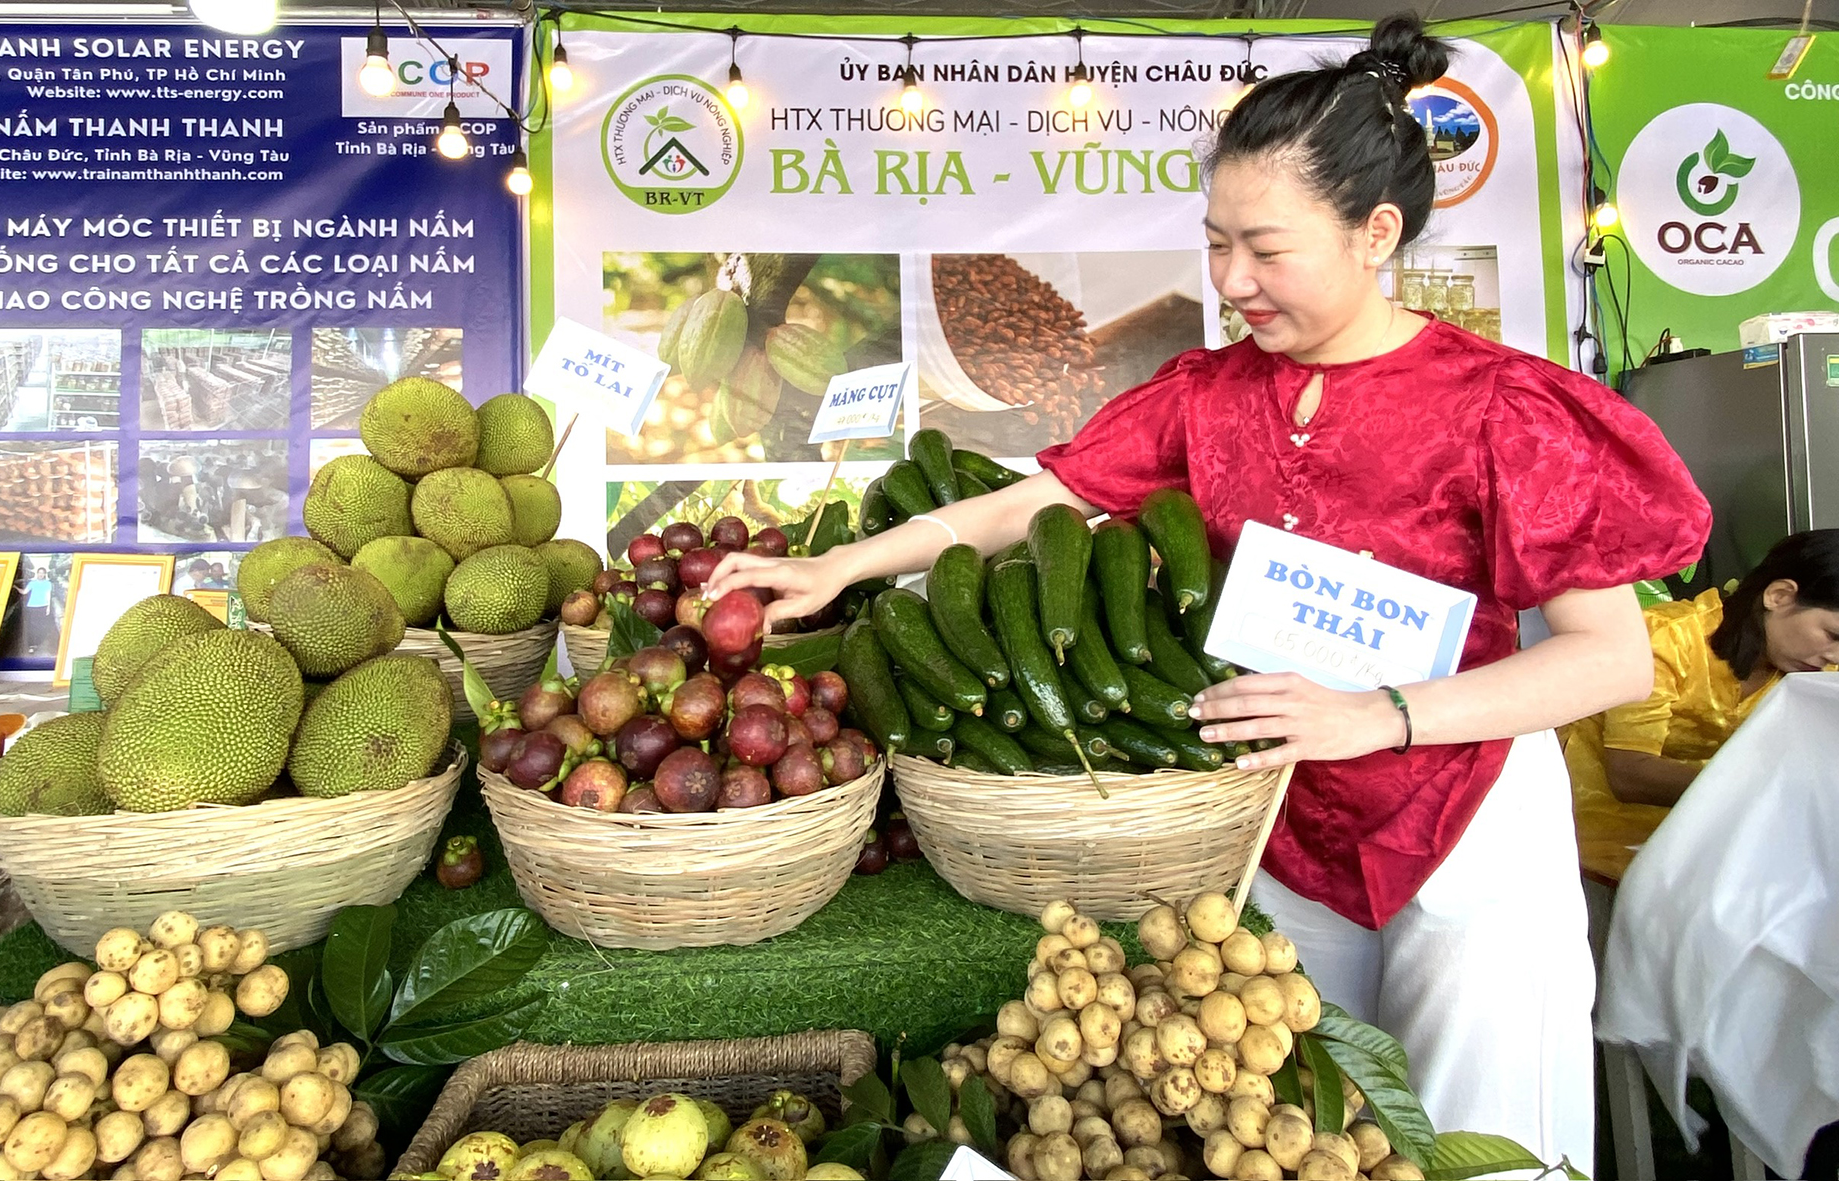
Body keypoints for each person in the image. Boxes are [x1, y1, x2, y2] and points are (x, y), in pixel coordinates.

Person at [705, 14, 1709, 1170]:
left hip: (1466, 809)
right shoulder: (1209, 391)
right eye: (1217, 242)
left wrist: (1379, 714)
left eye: (1267, 249)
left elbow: (1608, 656)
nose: (1231, 280)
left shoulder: (1504, 405)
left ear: (1376, 231)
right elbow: (1050, 495)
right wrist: (845, 563)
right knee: (1304, 1123)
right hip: (1275, 807)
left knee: (1485, 1135)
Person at [1563, 530, 1839, 864]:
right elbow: (1628, 774)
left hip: (1706, 842)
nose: (1834, 657)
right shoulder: (1667, 640)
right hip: (1592, 841)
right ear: (1779, 596)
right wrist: (1766, 791)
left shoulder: (1815, 675)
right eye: (1831, 635)